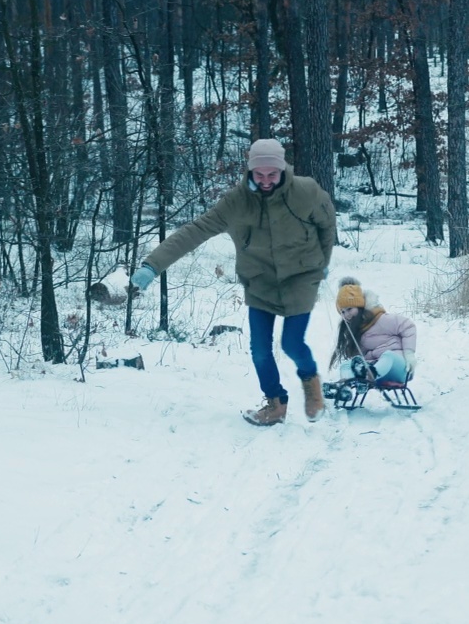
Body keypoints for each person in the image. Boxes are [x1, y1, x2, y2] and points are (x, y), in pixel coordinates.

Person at [129, 139, 336, 426]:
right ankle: (276, 403)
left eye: (271, 175)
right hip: (259, 279)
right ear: (250, 171)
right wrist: (152, 266)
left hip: (301, 277)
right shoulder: (236, 202)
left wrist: (322, 264)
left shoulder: (306, 192)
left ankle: (311, 383)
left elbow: (327, 226)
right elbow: (195, 230)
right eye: (259, 174)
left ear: (282, 171)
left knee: (291, 343)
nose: (265, 181)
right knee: (260, 349)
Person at [328, 277, 417, 387]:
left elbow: (408, 327)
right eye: (343, 312)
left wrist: (409, 354)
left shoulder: (381, 319)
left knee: (388, 356)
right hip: (375, 367)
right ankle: (345, 386)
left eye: (350, 309)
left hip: (399, 367)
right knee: (346, 365)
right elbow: (360, 356)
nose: (346, 315)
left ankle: (368, 376)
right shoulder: (357, 330)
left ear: (360, 306)